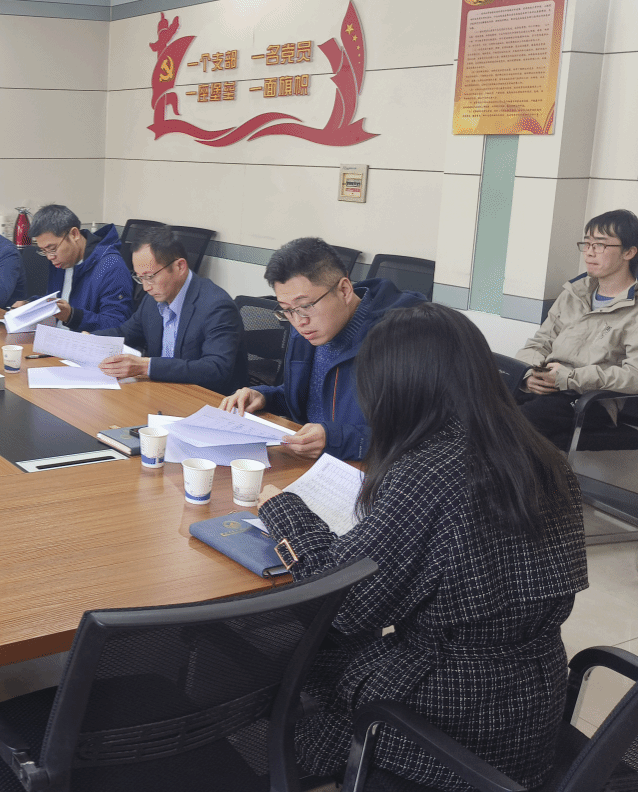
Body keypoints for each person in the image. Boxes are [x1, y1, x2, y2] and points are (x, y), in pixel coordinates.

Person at [256, 303, 587, 789]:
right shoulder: (544, 455)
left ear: (398, 388)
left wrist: (283, 509)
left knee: (294, 672)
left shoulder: (430, 470)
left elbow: (343, 601)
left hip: (446, 721)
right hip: (532, 705)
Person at [221, 237, 423, 460]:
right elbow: (312, 399)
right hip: (312, 462)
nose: (299, 321)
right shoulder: (307, 329)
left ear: (344, 290)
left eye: (306, 306)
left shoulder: (403, 339)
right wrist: (265, 396)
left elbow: (417, 437)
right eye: (287, 309)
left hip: (368, 472)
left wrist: (336, 439)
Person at [515, 209, 638, 449]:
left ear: (629, 252)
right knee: (476, 404)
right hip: (546, 386)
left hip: (589, 400)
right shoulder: (574, 292)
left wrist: (569, 378)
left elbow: (634, 375)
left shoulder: (633, 309)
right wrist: (529, 375)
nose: (589, 252)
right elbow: (539, 343)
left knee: (511, 425)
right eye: (587, 243)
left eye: (600, 245)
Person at [93, 226, 247, 393]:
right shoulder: (153, 299)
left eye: (150, 276)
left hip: (205, 398)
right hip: (163, 391)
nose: (145, 287)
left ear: (180, 266)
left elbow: (216, 370)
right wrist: (90, 340)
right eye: (140, 277)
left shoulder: (217, 306)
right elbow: (126, 333)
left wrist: (146, 366)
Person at [11, 204, 133, 332]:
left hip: (83, 341)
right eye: (43, 251)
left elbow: (117, 325)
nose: (49, 257)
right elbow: (60, 301)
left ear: (74, 234)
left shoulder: (111, 266)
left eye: (52, 249)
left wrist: (72, 317)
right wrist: (29, 305)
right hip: (54, 336)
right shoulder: (61, 261)